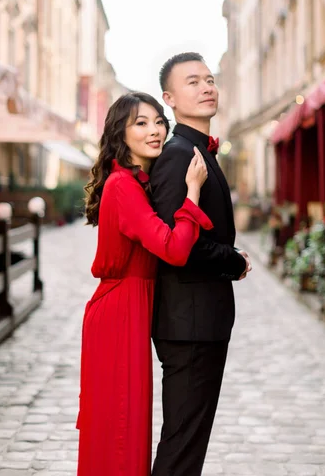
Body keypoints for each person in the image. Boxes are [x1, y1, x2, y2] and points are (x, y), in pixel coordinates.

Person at [76, 91, 213, 476]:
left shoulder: (136, 184)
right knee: (120, 426)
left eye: (158, 121)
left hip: (130, 309)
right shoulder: (122, 186)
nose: (154, 130)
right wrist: (193, 192)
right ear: (121, 133)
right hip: (119, 312)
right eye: (141, 123)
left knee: (126, 423)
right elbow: (173, 248)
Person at [150, 52, 252, 476]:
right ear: (169, 98)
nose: (207, 86)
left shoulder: (198, 150)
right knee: (182, 445)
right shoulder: (178, 154)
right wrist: (235, 260)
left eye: (209, 79)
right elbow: (180, 245)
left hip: (200, 321)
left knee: (188, 443)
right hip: (188, 323)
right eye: (192, 81)